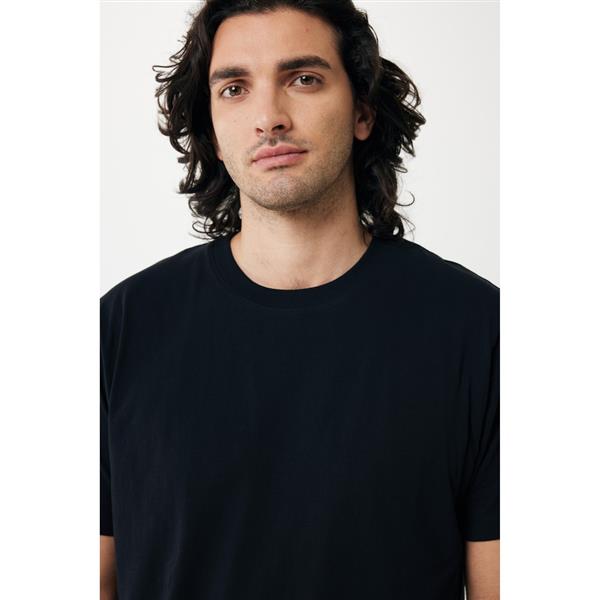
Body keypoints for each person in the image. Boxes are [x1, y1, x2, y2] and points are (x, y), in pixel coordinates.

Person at [100, 1, 500, 599]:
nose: (269, 117)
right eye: (234, 88)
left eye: (304, 78)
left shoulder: (479, 329)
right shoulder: (120, 329)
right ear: (213, 130)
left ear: (362, 111)